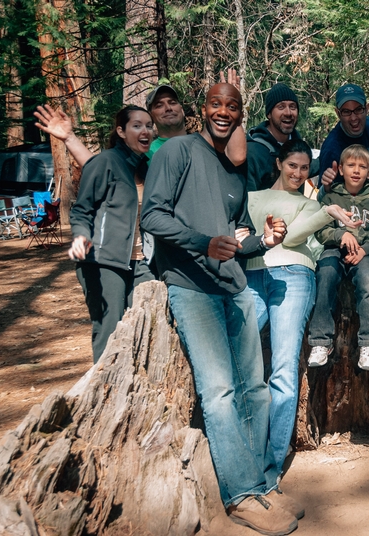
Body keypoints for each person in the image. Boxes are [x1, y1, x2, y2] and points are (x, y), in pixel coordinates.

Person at [141, 83, 302, 536]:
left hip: (233, 286)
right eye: (216, 104)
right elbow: (152, 216)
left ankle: (262, 484)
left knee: (255, 388)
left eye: (233, 106)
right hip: (191, 286)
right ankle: (240, 495)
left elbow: (234, 236)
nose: (224, 112)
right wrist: (201, 243)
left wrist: (263, 241)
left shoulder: (234, 172)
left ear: (239, 114)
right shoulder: (177, 151)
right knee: (220, 392)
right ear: (203, 109)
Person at [244, 139, 358, 473]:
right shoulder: (253, 198)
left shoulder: (312, 205)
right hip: (253, 277)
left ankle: (272, 464)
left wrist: (327, 212)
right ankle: (246, 451)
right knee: (242, 362)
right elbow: (245, 236)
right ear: (279, 163)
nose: (297, 173)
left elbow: (291, 237)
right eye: (292, 165)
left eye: (305, 167)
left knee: (283, 367)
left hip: (294, 275)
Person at [68, 105, 156, 363]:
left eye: (149, 125)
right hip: (103, 261)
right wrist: (81, 236)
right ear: (121, 131)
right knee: (110, 334)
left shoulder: (147, 167)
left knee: (145, 326)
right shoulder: (105, 162)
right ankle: (104, 394)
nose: (145, 131)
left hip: (143, 263)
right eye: (137, 125)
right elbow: (81, 210)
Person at [33, 73, 246, 168]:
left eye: (172, 102)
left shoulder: (204, 142)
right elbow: (100, 168)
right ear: (151, 115)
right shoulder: (145, 151)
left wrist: (231, 105)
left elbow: (236, 157)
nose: (168, 108)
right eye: (159, 105)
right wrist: (69, 138)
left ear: (182, 108)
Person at [308, 144, 369, 371]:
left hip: (364, 253)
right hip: (335, 249)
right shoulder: (331, 196)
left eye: (362, 167)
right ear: (341, 169)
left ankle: (367, 343)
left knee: (367, 283)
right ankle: (321, 341)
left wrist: (364, 250)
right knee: (326, 273)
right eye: (351, 165)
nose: (356, 170)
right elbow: (321, 231)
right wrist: (340, 233)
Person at [245, 83, 313, 191]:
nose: (288, 113)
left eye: (292, 107)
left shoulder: (300, 148)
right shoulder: (253, 152)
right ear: (269, 114)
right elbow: (248, 200)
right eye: (281, 107)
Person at [317, 84, 369, 192]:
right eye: (346, 112)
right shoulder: (332, 148)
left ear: (367, 108)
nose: (354, 118)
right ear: (338, 113)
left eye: (358, 109)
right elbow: (324, 193)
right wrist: (326, 186)